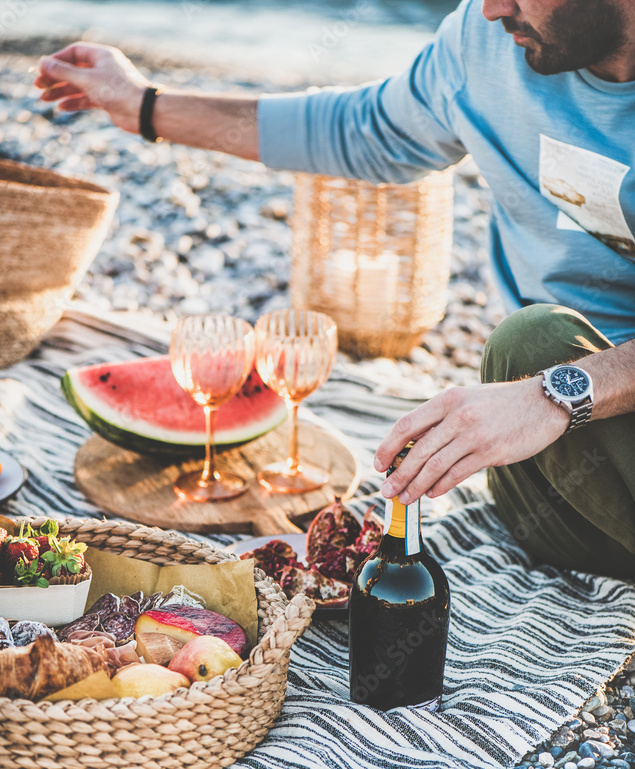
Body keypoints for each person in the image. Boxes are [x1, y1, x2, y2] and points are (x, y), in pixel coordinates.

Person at [35, 0, 635, 578]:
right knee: (529, 352)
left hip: (553, 406)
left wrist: (557, 394)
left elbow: (543, 373)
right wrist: (144, 106)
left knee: (533, 342)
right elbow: (362, 128)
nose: (491, 9)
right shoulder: (486, 47)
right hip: (553, 475)